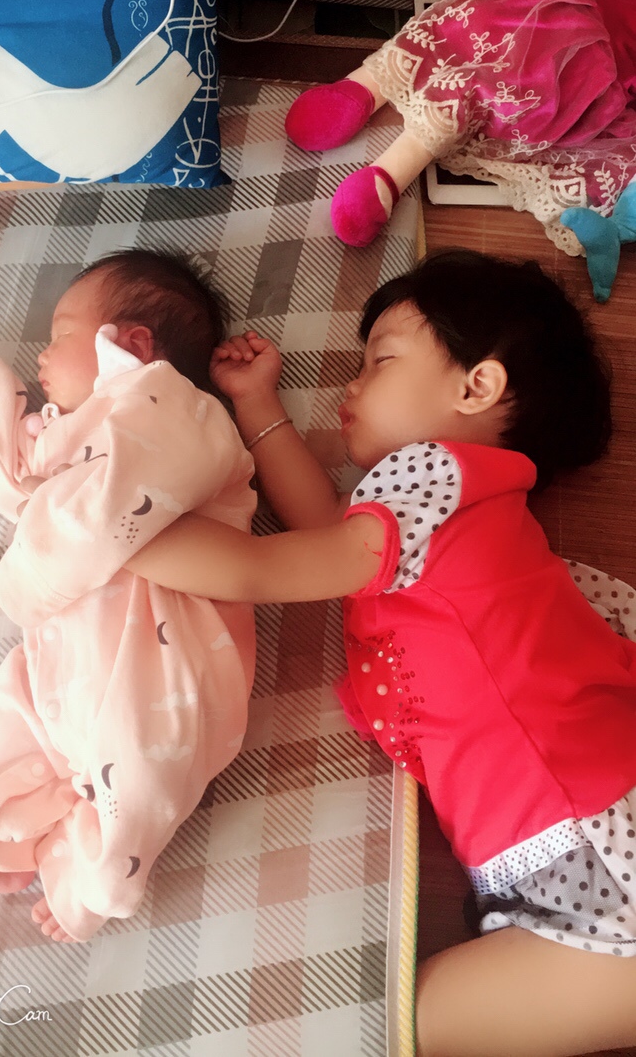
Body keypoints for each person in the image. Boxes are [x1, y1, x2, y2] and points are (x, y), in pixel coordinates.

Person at [123, 249, 636, 1057]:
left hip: (595, 853)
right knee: (395, 1026)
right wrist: (258, 405)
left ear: (478, 387)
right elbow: (327, 528)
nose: (351, 386)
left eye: (382, 360)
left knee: (385, 1028)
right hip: (572, 858)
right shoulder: (458, 514)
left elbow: (266, 569)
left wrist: (114, 531)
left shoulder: (439, 476)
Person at [0, 249, 256, 944]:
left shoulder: (177, 410)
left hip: (164, 658)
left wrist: (33, 562)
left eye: (60, 334)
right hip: (68, 653)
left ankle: (94, 885)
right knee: (5, 723)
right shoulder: (75, 431)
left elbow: (104, 504)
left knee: (143, 769)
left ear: (130, 345)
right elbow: (23, 479)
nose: (41, 353)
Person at [284, 0, 636, 301]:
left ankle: (375, 123)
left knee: (475, 48)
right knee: (503, 71)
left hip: (564, 5)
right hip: (579, 26)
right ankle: (373, 122)